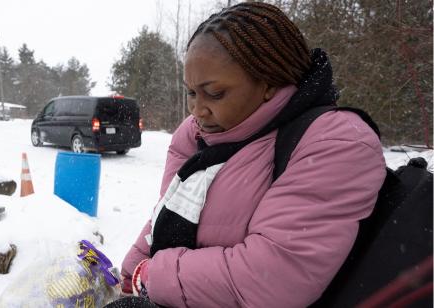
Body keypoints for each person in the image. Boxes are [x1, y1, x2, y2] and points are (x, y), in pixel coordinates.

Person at [107, 2, 386, 307]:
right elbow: (167, 214)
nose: (196, 110)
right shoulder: (195, 136)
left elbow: (276, 278)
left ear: (268, 83)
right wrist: (129, 272)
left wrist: (152, 276)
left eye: (214, 93)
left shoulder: (336, 142)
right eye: (191, 92)